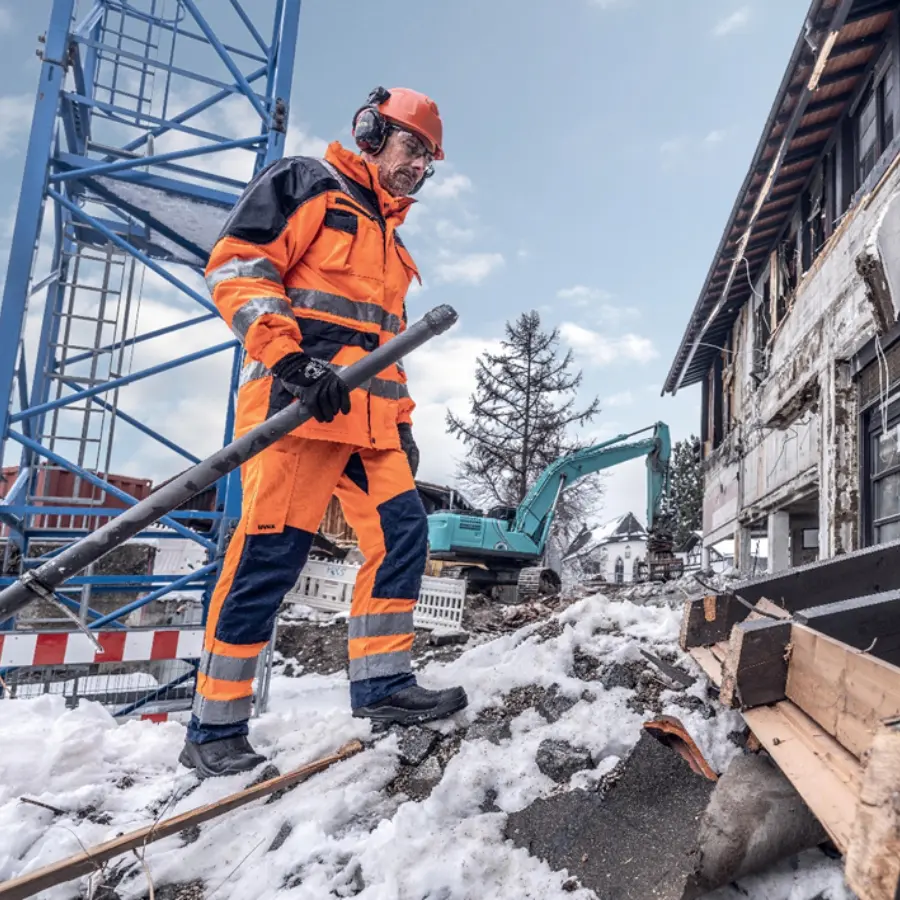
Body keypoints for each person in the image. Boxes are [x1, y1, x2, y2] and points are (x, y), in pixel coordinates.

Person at [179, 87, 468, 779]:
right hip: (297, 411)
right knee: (268, 561)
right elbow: (239, 267)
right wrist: (288, 357)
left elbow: (384, 345)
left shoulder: (391, 244)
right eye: (412, 150)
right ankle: (214, 727)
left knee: (404, 539)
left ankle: (383, 686)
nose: (419, 169)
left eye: (429, 160)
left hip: (372, 427)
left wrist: (404, 425)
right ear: (370, 132)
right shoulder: (309, 184)